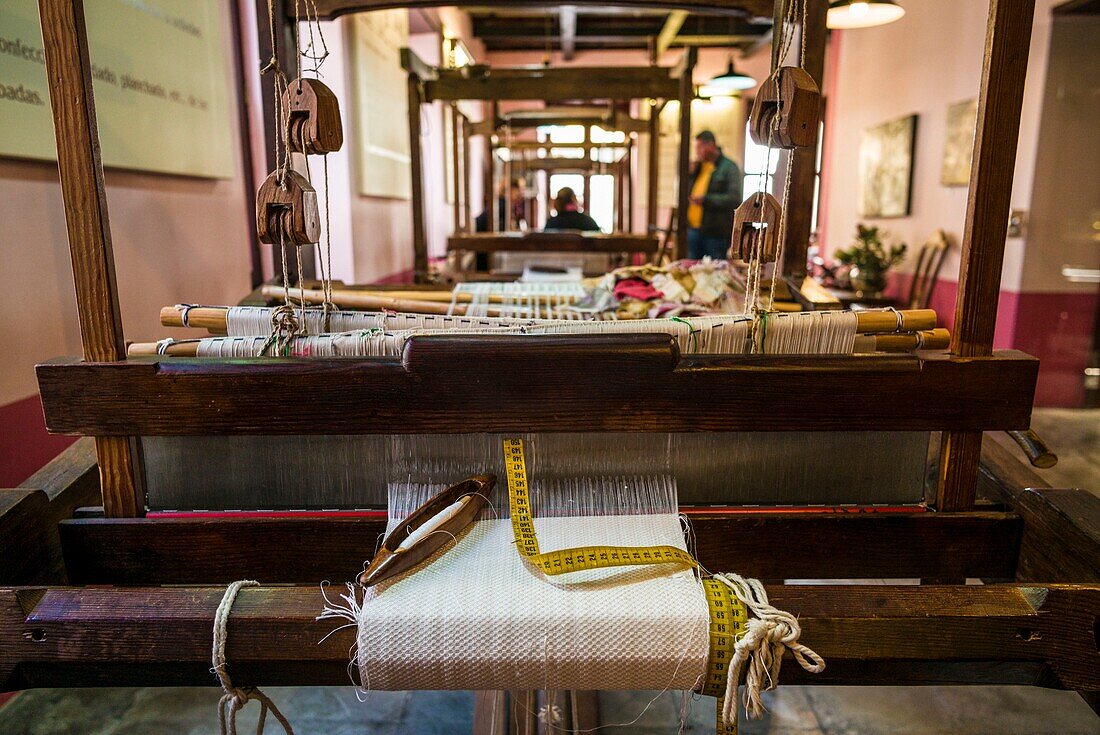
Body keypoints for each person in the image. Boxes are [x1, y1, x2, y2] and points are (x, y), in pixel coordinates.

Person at [686, 130, 742, 260]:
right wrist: (691, 174)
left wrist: (706, 200)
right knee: (692, 270)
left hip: (715, 232)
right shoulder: (699, 167)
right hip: (694, 229)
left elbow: (734, 199)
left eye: (700, 147)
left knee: (714, 271)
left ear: (711, 145)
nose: (697, 151)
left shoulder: (729, 167)